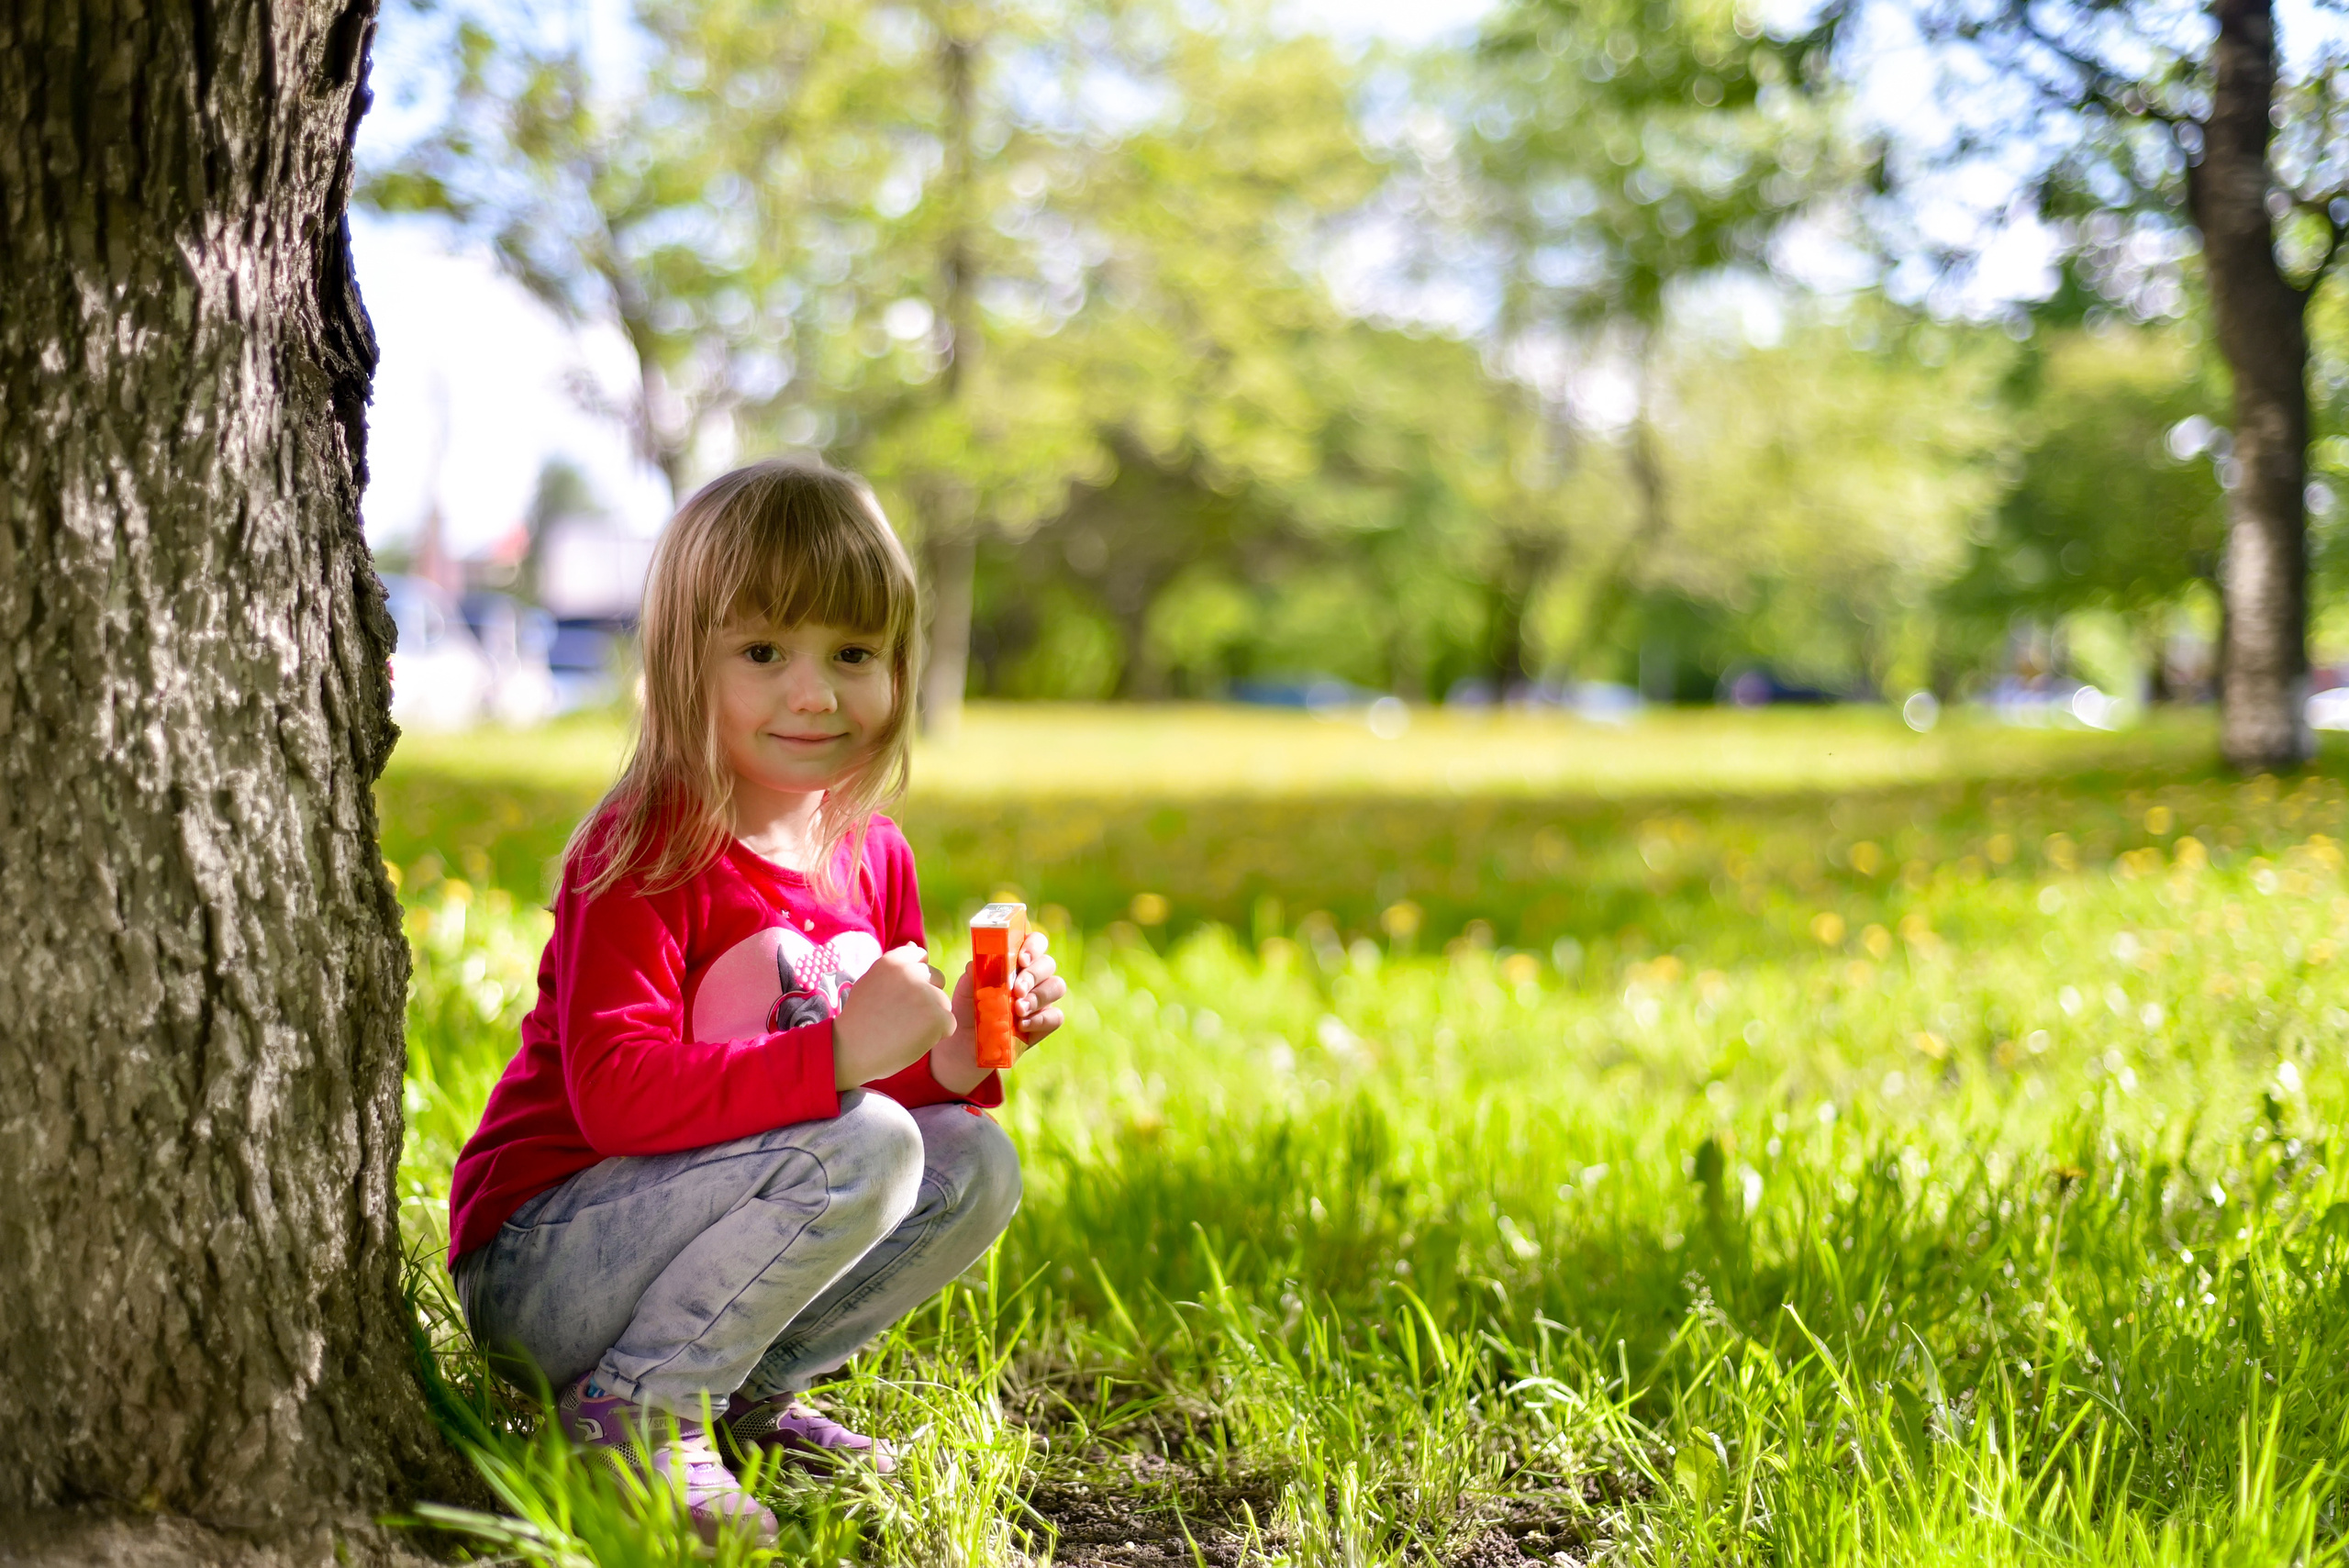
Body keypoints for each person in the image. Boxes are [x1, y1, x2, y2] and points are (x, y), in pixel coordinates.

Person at [443, 462, 1066, 1541]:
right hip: (546, 1260)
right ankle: (632, 1416)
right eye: (765, 652)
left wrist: (957, 1050)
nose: (816, 692)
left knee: (971, 1158)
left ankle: (737, 1395)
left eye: (853, 654)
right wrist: (837, 1056)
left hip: (694, 1245)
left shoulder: (873, 853)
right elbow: (616, 1098)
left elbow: (882, 1077)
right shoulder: (644, 847)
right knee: (858, 1140)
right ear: (684, 664)